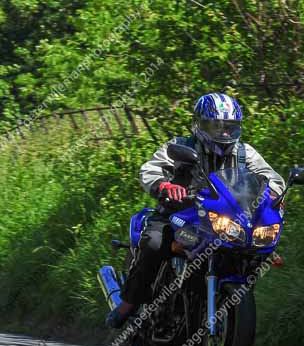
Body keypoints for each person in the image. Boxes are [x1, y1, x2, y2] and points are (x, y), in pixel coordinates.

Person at [105, 93, 285, 328]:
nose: (223, 133)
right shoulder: (179, 146)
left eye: (229, 127)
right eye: (215, 126)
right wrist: (164, 185)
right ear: (199, 123)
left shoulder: (245, 153)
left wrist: (272, 192)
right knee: (154, 242)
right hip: (177, 215)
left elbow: (272, 179)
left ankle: (225, 310)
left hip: (220, 219)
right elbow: (150, 169)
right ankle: (128, 303)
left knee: (253, 253)